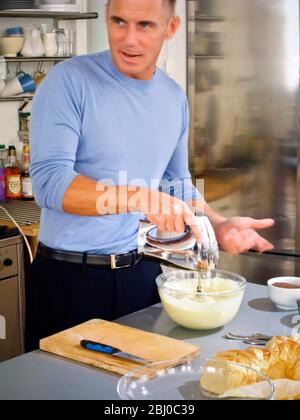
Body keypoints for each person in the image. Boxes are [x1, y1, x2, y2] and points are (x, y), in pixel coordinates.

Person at [27, 0, 274, 351]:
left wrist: (215, 225)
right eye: (118, 22)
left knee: (142, 390)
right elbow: (50, 183)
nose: (129, 39)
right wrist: (139, 197)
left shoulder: (173, 98)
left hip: (141, 276)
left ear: (170, 28)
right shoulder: (69, 81)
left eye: (144, 25)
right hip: (70, 281)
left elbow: (175, 183)